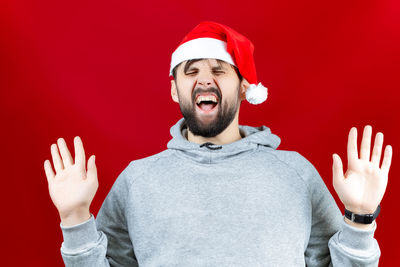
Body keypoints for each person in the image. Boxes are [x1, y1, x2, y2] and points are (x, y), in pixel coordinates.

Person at [44, 21, 393, 266]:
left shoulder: (295, 174)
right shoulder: (138, 180)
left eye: (220, 70)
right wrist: (75, 218)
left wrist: (359, 219)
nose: (204, 79)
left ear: (244, 87)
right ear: (174, 89)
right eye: (191, 71)